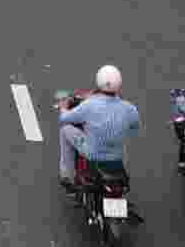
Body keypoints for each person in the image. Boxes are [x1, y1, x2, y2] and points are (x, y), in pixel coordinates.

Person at [59, 67, 143, 203]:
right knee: (123, 143)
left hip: (92, 153)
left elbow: (64, 119)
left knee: (65, 129)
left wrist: (63, 107)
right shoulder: (129, 108)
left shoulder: (90, 105)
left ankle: (67, 176)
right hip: (117, 156)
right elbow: (135, 127)